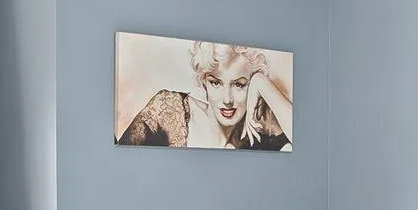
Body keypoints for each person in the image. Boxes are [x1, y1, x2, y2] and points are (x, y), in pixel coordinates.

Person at [118, 41, 291, 151]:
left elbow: (302, 146)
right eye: (215, 83)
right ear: (204, 83)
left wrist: (261, 82)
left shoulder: (257, 130)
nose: (227, 100)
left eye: (239, 85)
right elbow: (116, 158)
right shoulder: (168, 109)